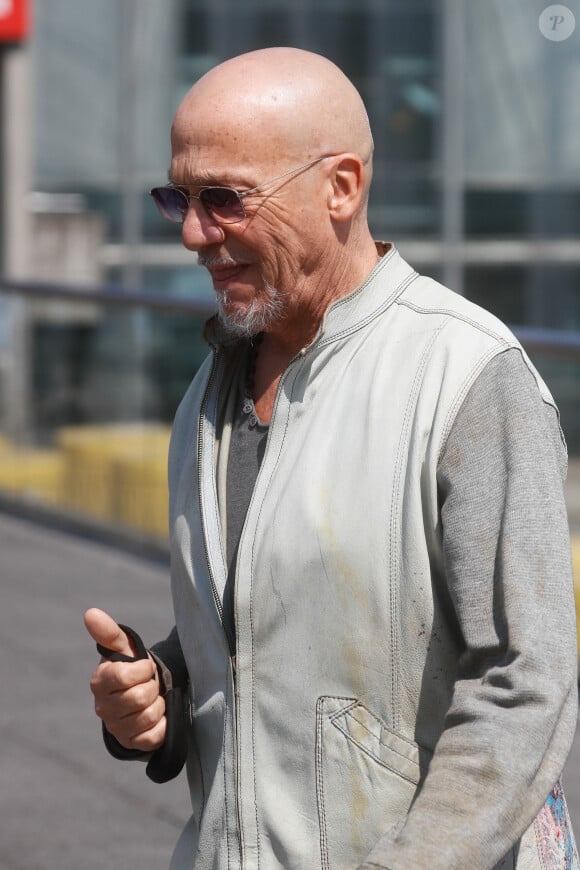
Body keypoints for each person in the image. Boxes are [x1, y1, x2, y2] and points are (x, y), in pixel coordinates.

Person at [85, 47, 579, 870]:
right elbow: (271, 626)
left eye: (225, 200)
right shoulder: (211, 387)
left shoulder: (464, 375)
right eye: (178, 196)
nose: (191, 233)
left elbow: (526, 685)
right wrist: (161, 691)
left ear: (341, 187)